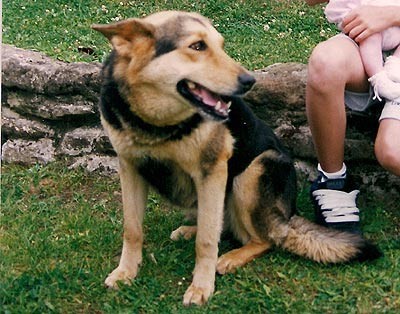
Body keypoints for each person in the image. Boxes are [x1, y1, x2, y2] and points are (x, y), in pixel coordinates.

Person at [305, 0, 400, 233]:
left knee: (390, 151)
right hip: (363, 42)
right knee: (326, 63)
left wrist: (391, 14)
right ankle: (333, 181)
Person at [325, 0, 400, 102]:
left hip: (394, 19)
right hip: (369, 23)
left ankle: (395, 64)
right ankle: (379, 79)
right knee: (368, 37)